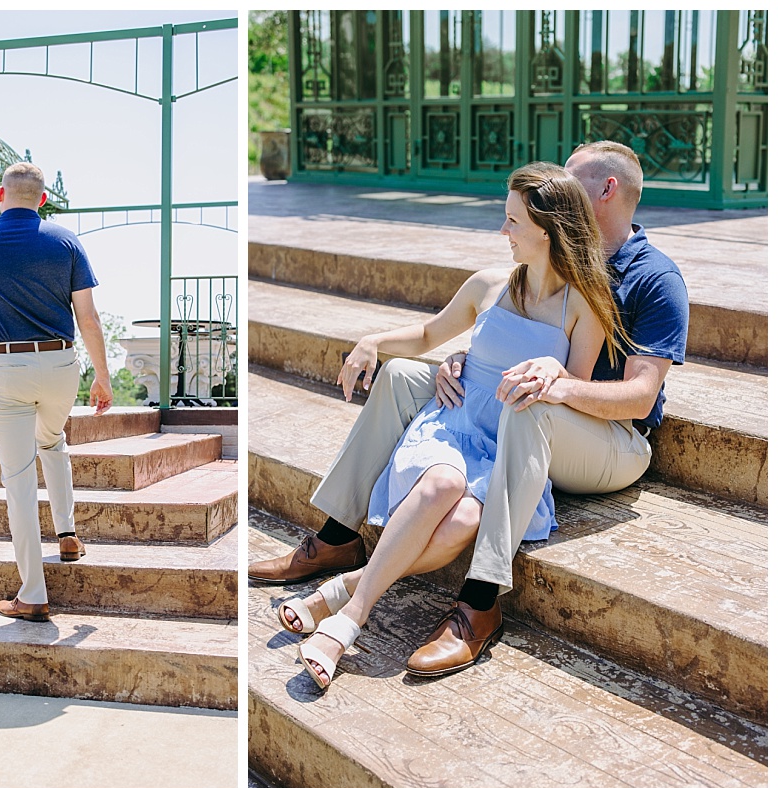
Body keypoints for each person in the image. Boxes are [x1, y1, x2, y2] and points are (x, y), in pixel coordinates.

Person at [254, 142, 689, 684]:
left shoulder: (649, 280)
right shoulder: (500, 281)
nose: (504, 230)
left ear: (585, 202)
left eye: (515, 218)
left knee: (528, 406)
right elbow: (438, 331)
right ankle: (339, 535)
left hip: (607, 433)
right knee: (403, 376)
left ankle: (477, 601)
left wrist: (553, 383)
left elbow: (637, 397)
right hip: (503, 413)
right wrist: (462, 357)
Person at [0, 161, 112, 621]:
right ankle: (67, 534)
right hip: (61, 365)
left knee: (19, 479)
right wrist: (102, 377)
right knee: (53, 440)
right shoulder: (65, 241)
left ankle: (32, 593)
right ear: (42, 200)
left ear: (0, 196)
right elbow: (88, 317)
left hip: (6, 365)